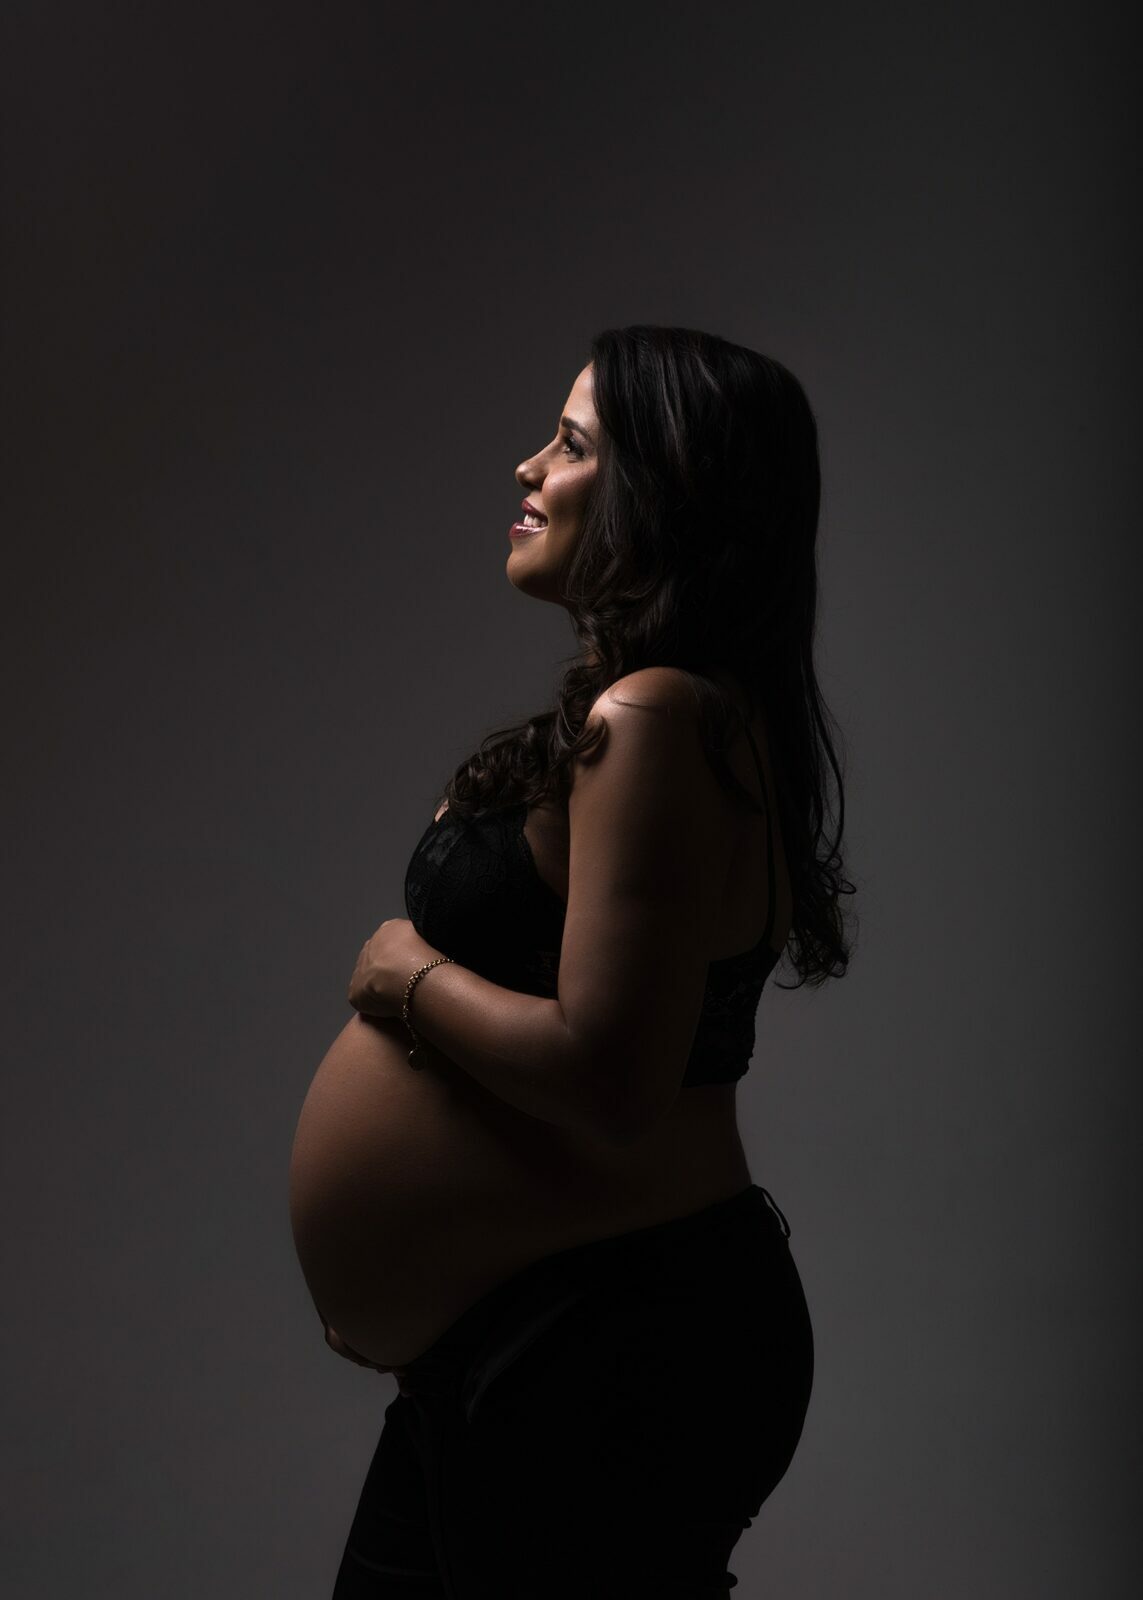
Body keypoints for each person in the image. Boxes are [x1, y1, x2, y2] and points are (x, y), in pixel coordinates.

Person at [324, 323, 855, 1597]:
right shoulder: (681, 715)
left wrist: (405, 979)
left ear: (662, 493)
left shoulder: (657, 716)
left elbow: (612, 1080)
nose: (528, 467)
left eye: (571, 445)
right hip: (544, 1338)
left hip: (608, 1343)